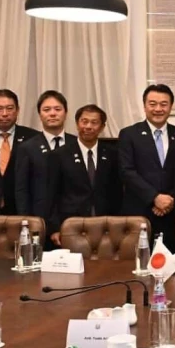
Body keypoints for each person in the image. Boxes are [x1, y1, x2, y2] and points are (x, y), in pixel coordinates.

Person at [118, 84, 175, 250]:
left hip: (172, 212)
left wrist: (169, 200)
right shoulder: (129, 134)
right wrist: (154, 197)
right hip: (139, 211)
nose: (158, 109)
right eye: (152, 104)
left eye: (163, 104)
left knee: (171, 265)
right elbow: (126, 171)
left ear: (171, 106)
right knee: (137, 266)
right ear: (144, 106)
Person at [48, 105, 121, 246]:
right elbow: (52, 194)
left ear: (102, 127)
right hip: (71, 225)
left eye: (94, 123)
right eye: (84, 121)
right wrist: (55, 228)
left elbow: (117, 193)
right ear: (77, 124)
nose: (88, 126)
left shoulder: (112, 154)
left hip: (105, 224)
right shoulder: (59, 155)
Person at [14, 91, 76, 217]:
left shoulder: (76, 144)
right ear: (40, 115)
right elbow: (21, 190)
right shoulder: (27, 147)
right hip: (39, 218)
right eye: (46, 109)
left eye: (57, 109)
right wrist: (26, 220)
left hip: (73, 218)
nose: (52, 114)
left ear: (66, 113)